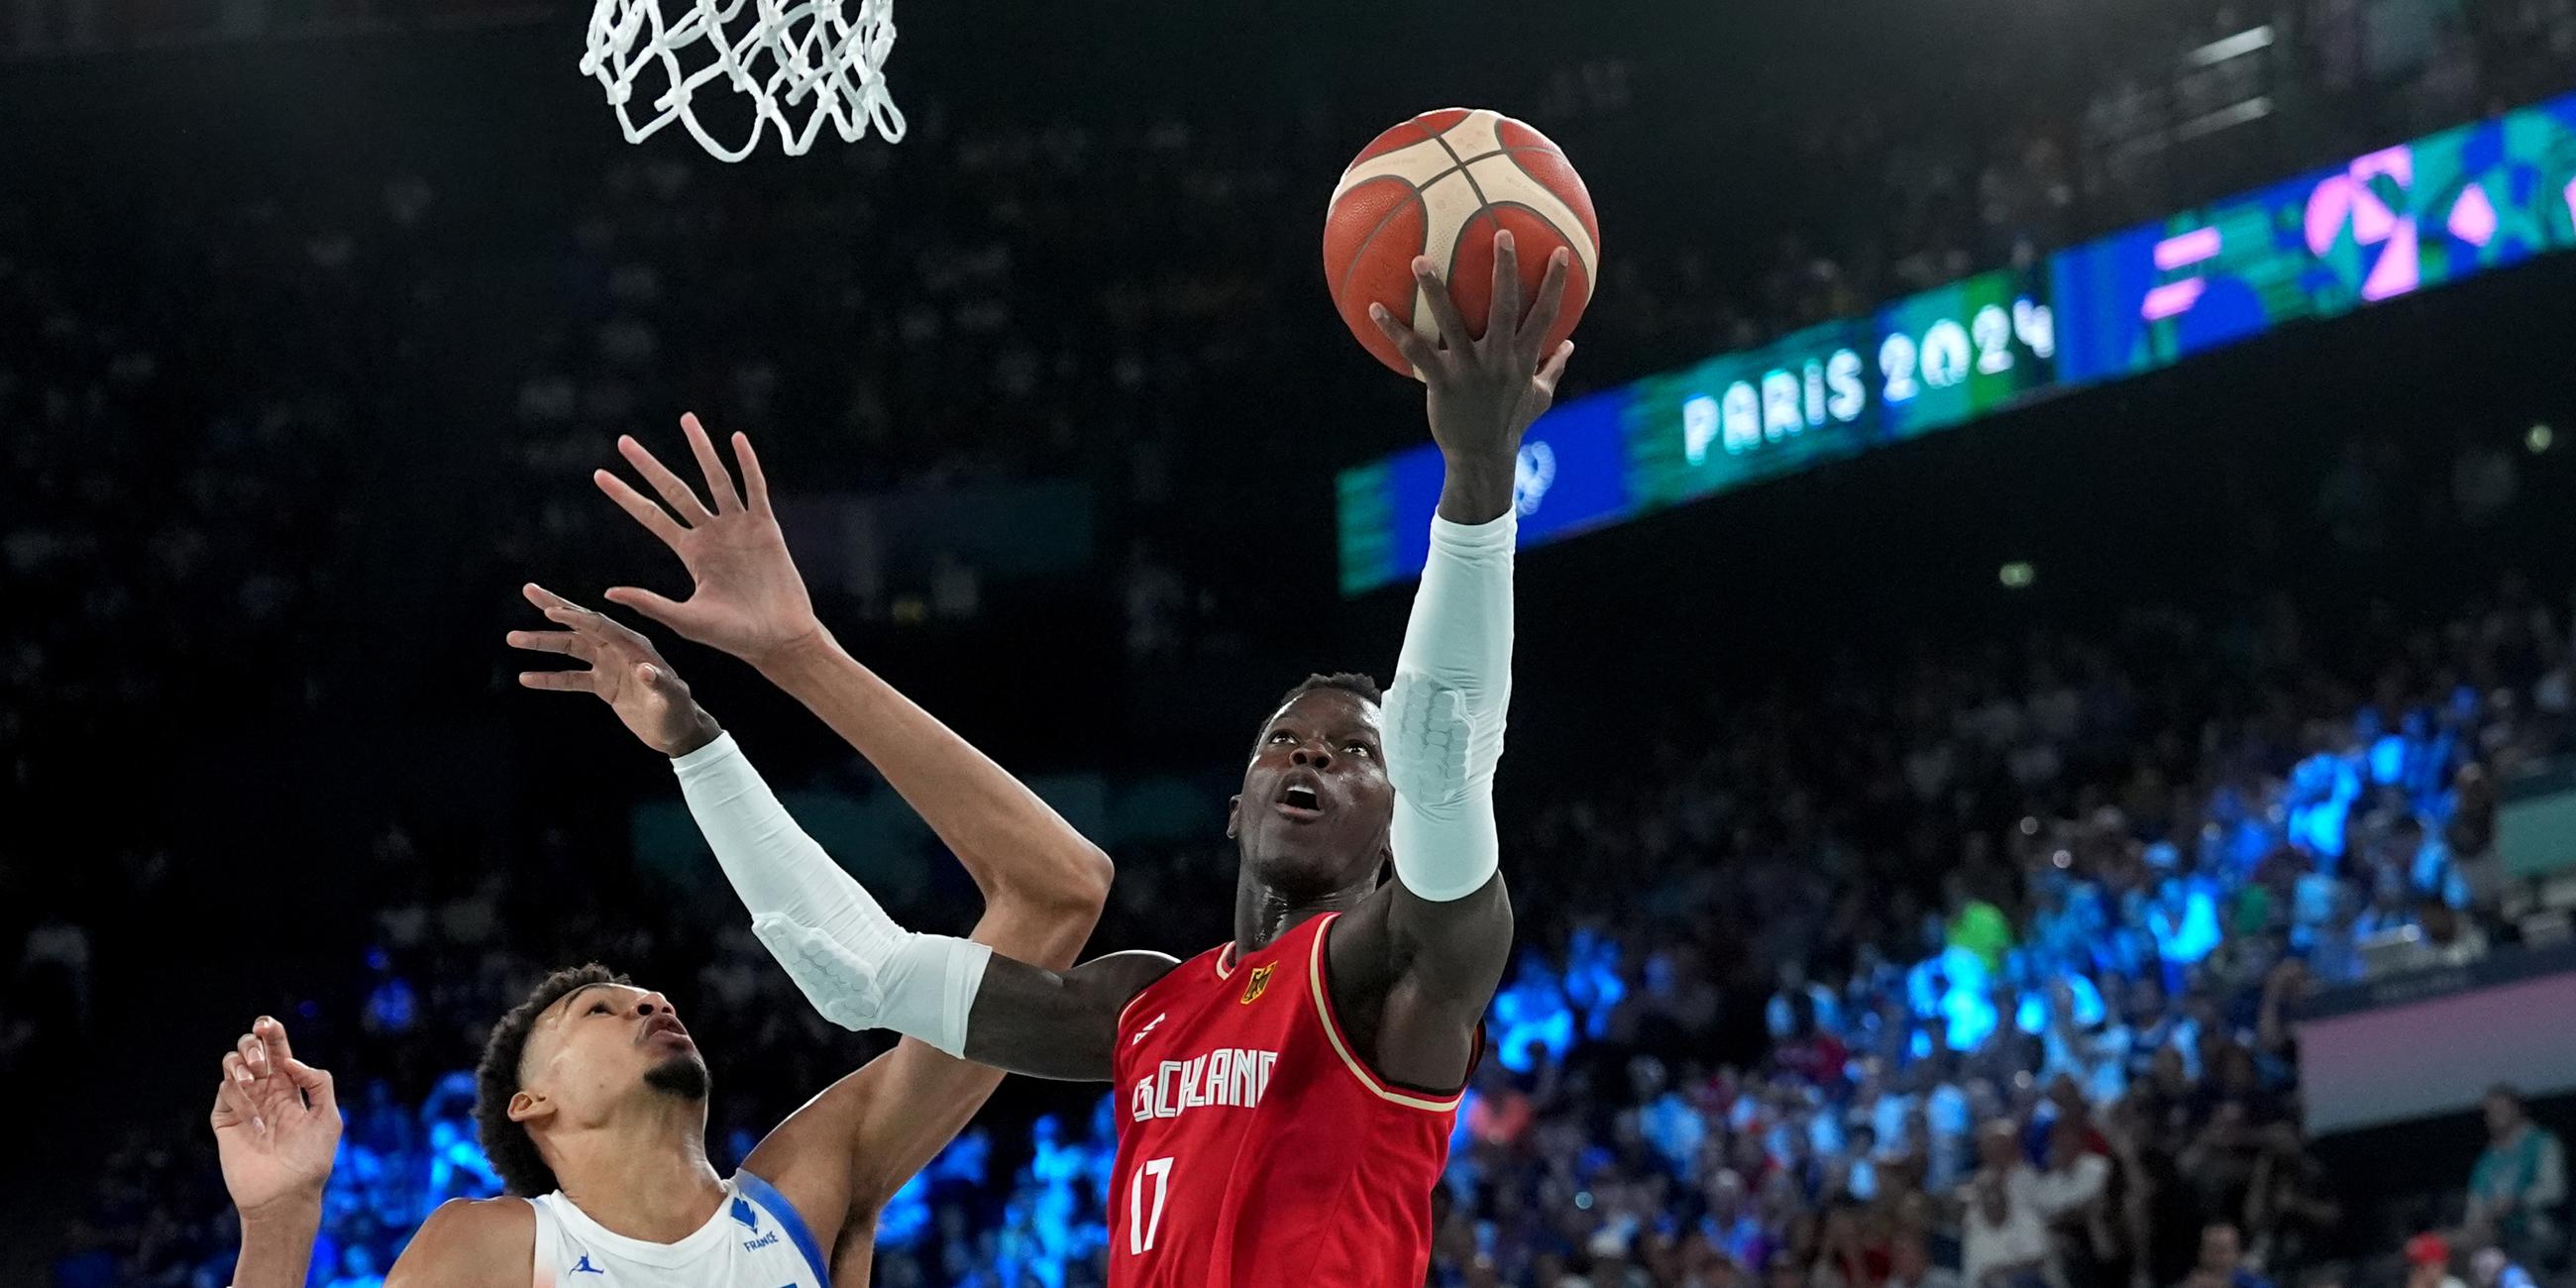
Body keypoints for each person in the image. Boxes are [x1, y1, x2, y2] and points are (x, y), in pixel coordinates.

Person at [593, 235, 1575, 1286]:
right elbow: (857, 971)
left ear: (1392, 825)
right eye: (1284, 740)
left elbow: (1439, 746)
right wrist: (702, 736)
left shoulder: (1401, 964)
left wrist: (1476, 479)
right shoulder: (1142, 1005)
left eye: (1347, 754)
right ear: (1236, 807)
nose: (1309, 755)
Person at [209, 591, 1116, 1285]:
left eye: (642, 995)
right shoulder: (497, 1246)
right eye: (597, 1010)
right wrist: (283, 1216)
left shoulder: (806, 1192)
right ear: (534, 1106)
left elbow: (1057, 894)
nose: (649, 999)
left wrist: (777, 677)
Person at [2464, 1086, 2568, 1266]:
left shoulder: (2542, 1143)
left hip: (2541, 1235)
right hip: (2497, 1243)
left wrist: (2516, 1202)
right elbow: (2474, 1209)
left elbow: (2555, 1190)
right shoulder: (2486, 1161)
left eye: (2501, 1110)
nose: (2496, 1117)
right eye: (2491, 1113)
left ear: (2517, 1110)